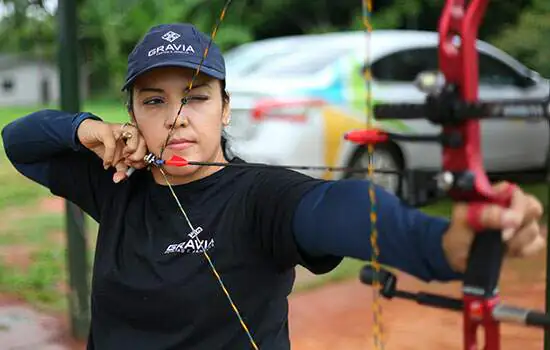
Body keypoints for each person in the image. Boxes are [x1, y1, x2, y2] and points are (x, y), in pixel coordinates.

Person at [1, 23, 546, 350]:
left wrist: (440, 247)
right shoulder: (117, 184)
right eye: (154, 101)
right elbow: (18, 140)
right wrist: (85, 128)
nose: (175, 118)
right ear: (132, 116)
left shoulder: (259, 196)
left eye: (195, 97)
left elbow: (337, 208)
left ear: (226, 108)